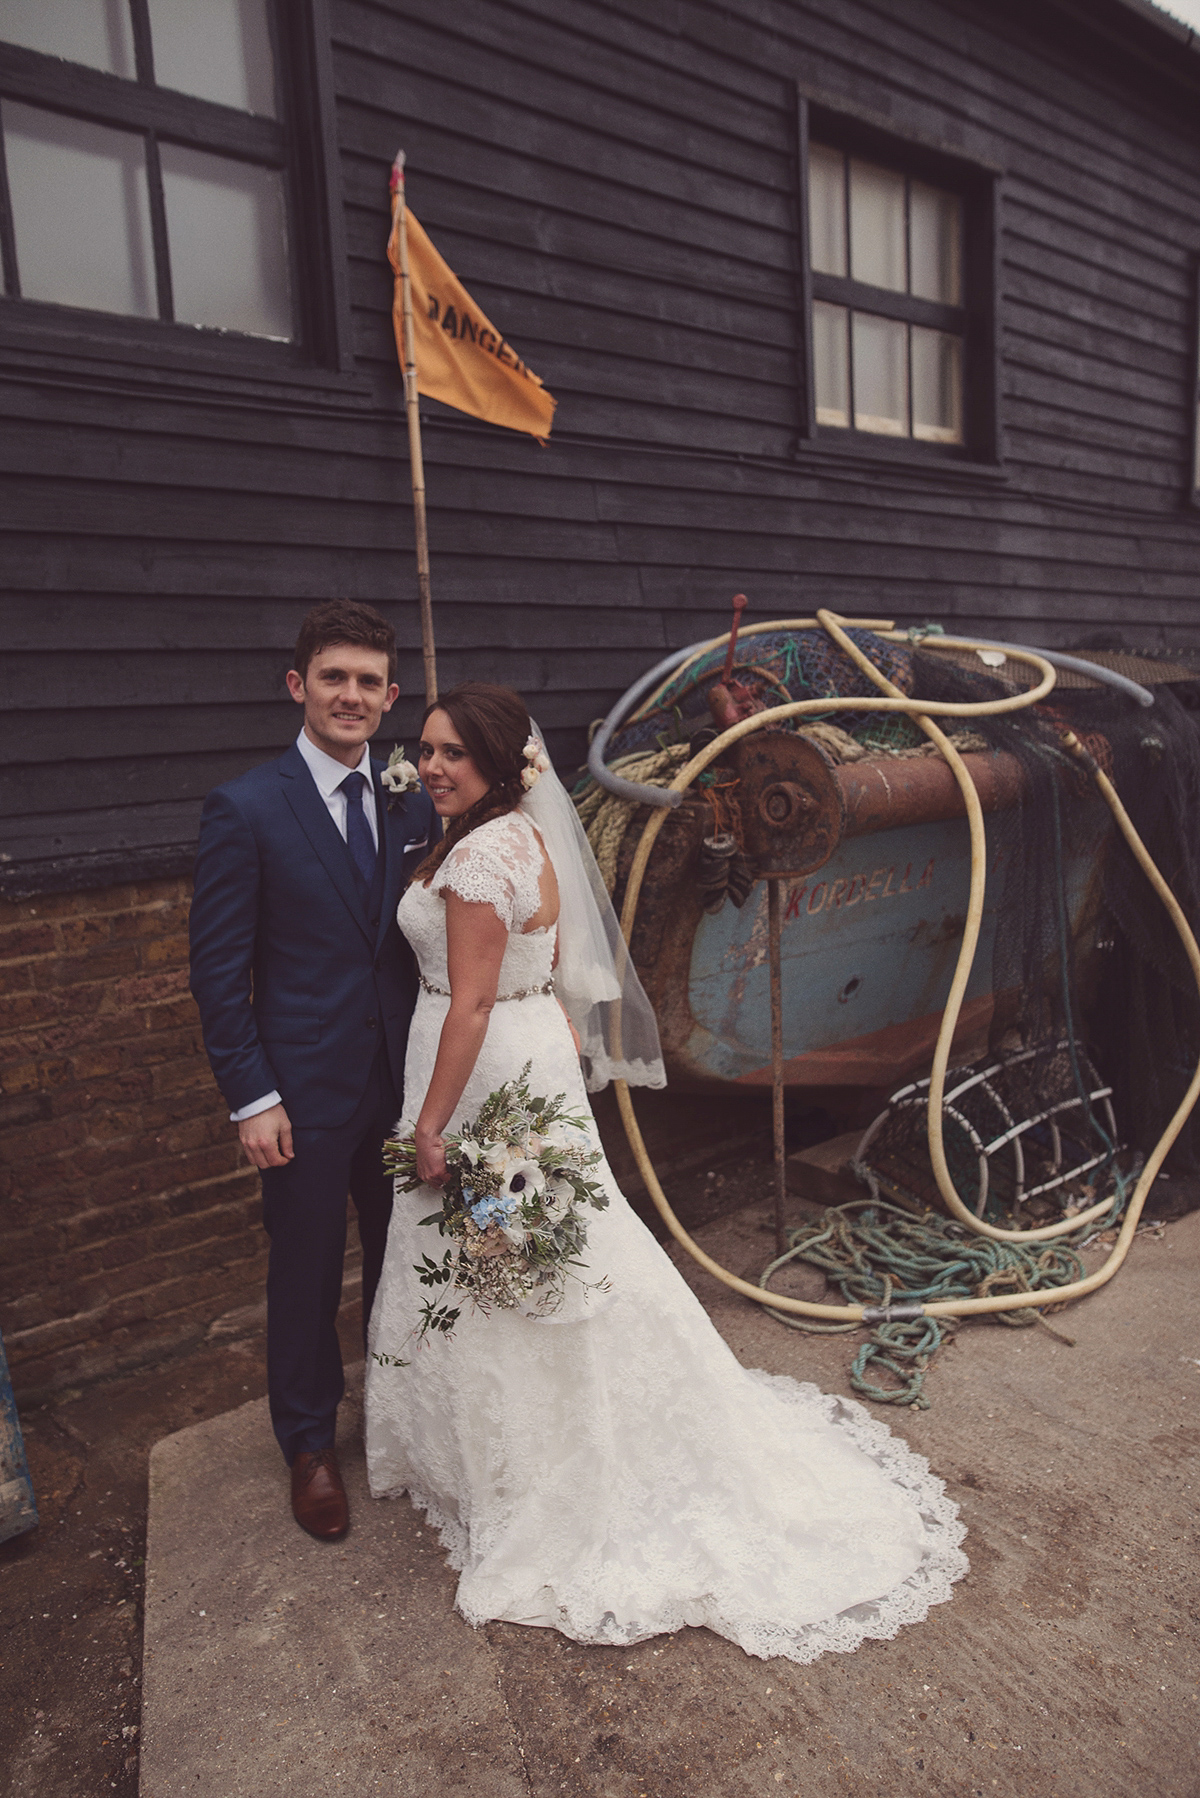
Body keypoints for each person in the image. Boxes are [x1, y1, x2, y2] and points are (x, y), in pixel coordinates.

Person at [365, 682, 967, 1663]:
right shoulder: (524, 833)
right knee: (540, 1253)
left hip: (475, 1073)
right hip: (530, 1058)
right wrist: (541, 1035)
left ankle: (531, 1468)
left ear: (495, 762)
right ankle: (529, 1441)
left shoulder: (476, 855)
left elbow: (469, 1005)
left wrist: (431, 1125)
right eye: (424, 749)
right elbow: (550, 958)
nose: (432, 766)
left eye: (452, 754)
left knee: (503, 1259)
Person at [189, 601, 438, 1541]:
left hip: (401, 1083)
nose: (352, 695)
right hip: (298, 1093)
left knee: (402, 1255)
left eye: (369, 681)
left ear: (391, 696)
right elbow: (217, 974)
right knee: (302, 1271)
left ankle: (400, 1415)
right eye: (333, 677)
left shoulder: (416, 797)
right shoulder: (246, 808)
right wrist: (252, 1096)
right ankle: (308, 1443)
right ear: (298, 686)